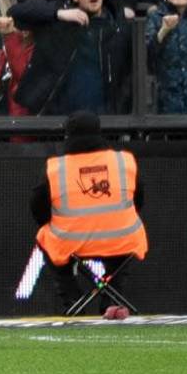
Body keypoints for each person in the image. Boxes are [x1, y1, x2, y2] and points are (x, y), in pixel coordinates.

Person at [30, 111, 147, 315]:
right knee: (125, 240)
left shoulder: (56, 167)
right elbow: (139, 201)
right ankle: (111, 298)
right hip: (122, 239)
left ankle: (73, 300)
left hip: (72, 243)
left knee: (45, 236)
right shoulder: (124, 161)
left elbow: (38, 208)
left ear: (68, 136)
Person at [10, 0, 132, 115]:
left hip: (104, 117)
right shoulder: (60, 20)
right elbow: (15, 13)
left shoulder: (117, 28)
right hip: (60, 116)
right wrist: (58, 13)